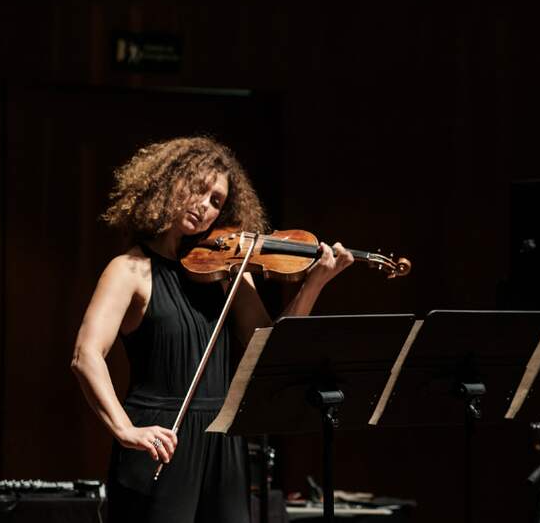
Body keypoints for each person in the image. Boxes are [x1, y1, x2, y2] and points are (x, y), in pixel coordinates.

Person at [71, 136, 353, 523]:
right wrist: (124, 428)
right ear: (169, 181)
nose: (205, 205)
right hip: (160, 439)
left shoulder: (226, 274)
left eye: (216, 200)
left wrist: (314, 284)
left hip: (222, 442)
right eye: (198, 189)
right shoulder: (130, 269)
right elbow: (86, 355)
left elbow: (271, 349)